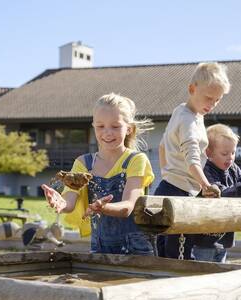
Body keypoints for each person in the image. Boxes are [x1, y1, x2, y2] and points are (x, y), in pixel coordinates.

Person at [42, 93, 155, 255]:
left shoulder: (135, 160)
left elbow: (128, 206)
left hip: (136, 248)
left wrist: (103, 207)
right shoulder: (83, 164)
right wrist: (60, 203)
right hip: (99, 246)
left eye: (115, 126)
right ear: (93, 126)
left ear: (129, 129)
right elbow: (69, 202)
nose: (107, 133)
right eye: (100, 126)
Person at [155, 62, 230, 260]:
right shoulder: (188, 119)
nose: (212, 104)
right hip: (178, 191)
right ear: (192, 89)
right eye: (208, 98)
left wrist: (166, 174)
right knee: (179, 253)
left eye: (217, 100)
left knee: (166, 250)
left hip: (171, 186)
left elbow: (163, 146)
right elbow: (192, 159)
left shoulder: (187, 113)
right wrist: (206, 185)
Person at [191, 123, 241, 263]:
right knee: (202, 274)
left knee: (219, 277)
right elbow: (222, 195)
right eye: (224, 153)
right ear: (208, 153)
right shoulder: (206, 171)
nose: (230, 157)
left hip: (224, 238)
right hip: (203, 240)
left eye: (233, 153)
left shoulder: (234, 169)